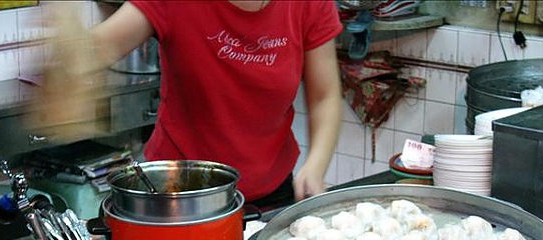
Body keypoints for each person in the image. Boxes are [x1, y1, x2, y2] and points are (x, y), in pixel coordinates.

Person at [52, 0, 344, 207]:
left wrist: (315, 166)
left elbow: (325, 95)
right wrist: (63, 30)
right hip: (179, 197)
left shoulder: (308, 4)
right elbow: (94, 51)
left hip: (271, 196)